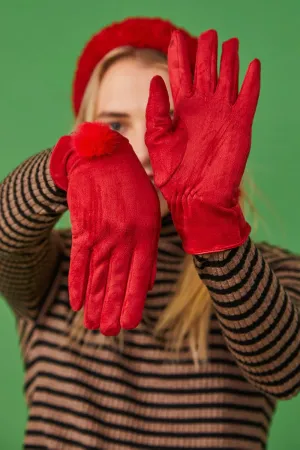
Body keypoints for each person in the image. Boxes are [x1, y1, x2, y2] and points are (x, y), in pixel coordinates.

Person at [0, 15, 300, 450]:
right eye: (115, 127)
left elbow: (285, 370)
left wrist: (213, 223)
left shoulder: (270, 271)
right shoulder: (58, 266)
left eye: (166, 124)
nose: (139, 149)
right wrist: (71, 163)